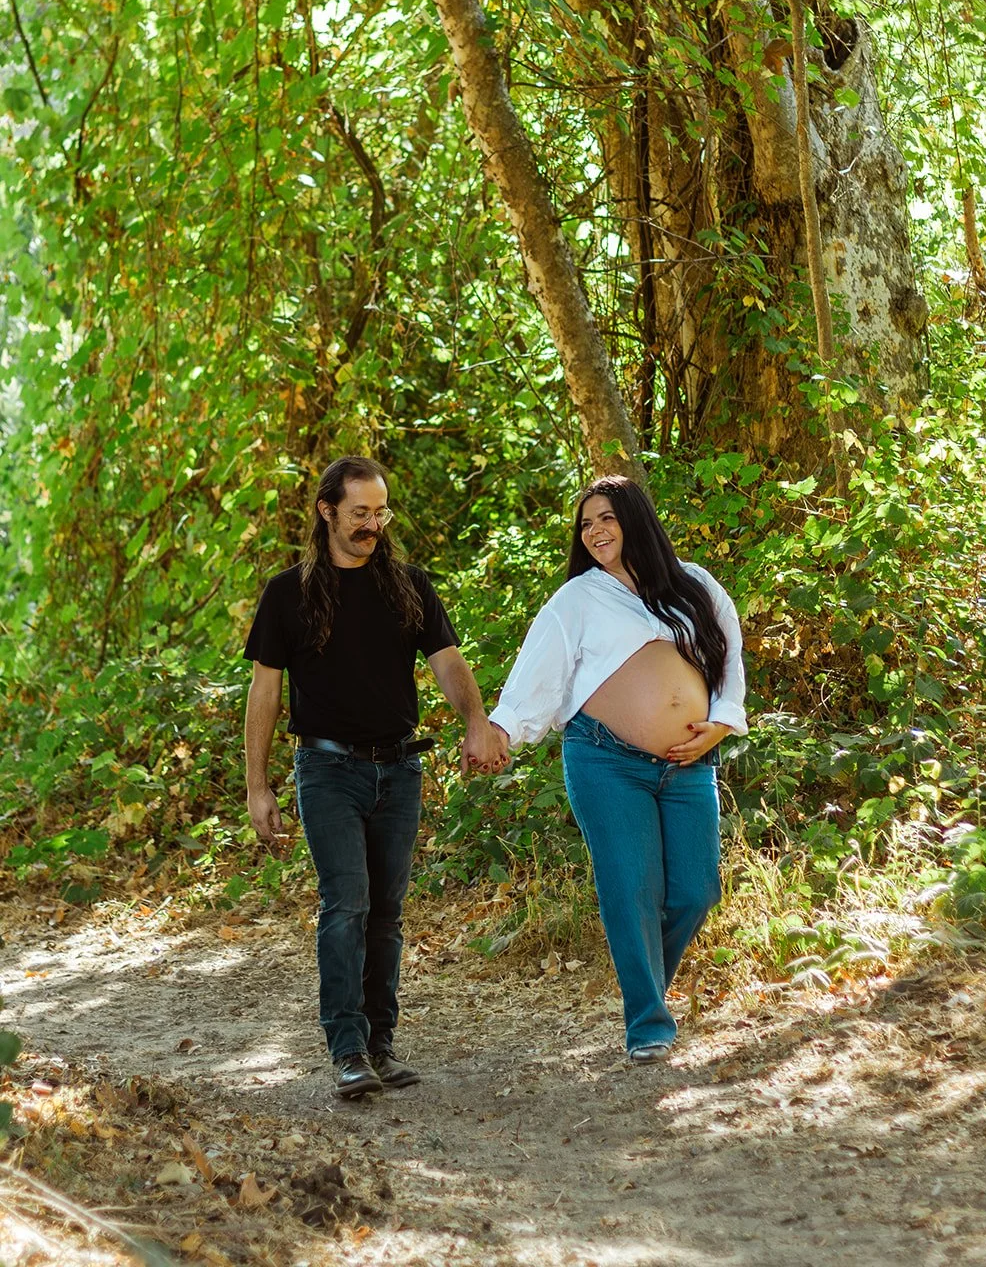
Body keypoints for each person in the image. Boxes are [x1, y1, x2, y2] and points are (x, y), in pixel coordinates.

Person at [243, 455, 505, 1099]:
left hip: (400, 769)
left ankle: (381, 1045)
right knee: (347, 904)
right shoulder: (288, 594)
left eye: (380, 512)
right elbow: (265, 694)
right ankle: (347, 1048)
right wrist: (258, 784)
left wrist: (476, 720)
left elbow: (447, 662)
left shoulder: (408, 585)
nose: (372, 525)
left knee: (386, 913)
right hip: (327, 769)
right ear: (327, 512)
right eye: (359, 513)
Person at [486, 475, 746, 1063]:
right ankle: (648, 1020)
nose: (595, 531)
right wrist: (503, 730)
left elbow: (729, 657)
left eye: (606, 517)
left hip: (688, 764)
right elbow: (538, 674)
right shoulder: (579, 597)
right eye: (586, 524)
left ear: (636, 519)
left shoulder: (695, 584)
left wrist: (723, 722)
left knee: (696, 890)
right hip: (605, 760)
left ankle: (645, 977)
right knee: (631, 889)